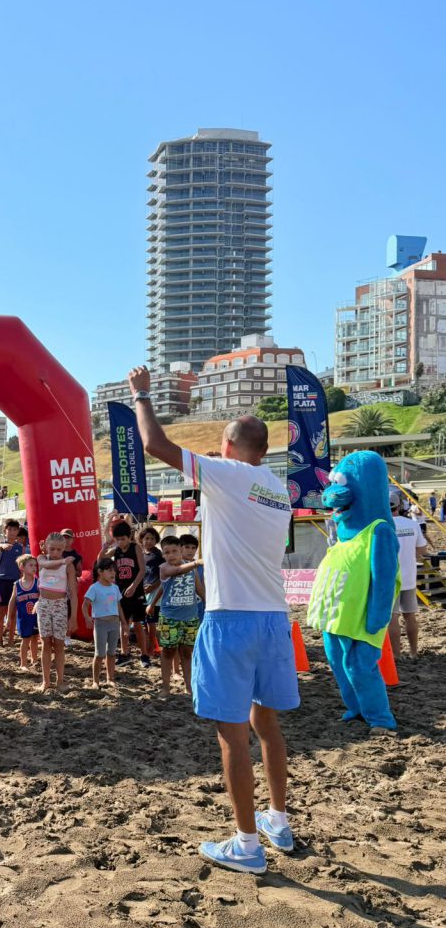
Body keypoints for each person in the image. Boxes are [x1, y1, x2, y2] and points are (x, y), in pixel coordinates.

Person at [129, 363, 299, 875]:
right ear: (263, 450)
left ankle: (247, 844)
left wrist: (142, 395)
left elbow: (155, 443)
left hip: (232, 617)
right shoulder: (278, 489)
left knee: (232, 732)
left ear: (226, 447)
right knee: (266, 723)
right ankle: (278, 820)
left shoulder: (226, 474)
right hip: (273, 616)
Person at [151, 535, 204, 695]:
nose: (171, 555)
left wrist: (209, 603)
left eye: (174, 551)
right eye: (167, 552)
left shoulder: (191, 568)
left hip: (191, 617)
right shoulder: (164, 568)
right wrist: (196, 562)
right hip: (170, 618)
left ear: (181, 550)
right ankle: (166, 687)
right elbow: (176, 571)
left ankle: (189, 686)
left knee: (187, 652)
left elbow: (199, 589)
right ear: (163, 554)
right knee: (168, 651)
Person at [99, 520, 149, 667]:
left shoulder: (135, 547)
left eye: (123, 539)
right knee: (123, 623)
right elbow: (100, 560)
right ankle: (124, 653)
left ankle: (144, 655)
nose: (120, 542)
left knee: (138, 624)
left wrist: (134, 586)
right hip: (121, 591)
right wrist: (106, 545)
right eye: (118, 539)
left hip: (136, 590)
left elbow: (142, 570)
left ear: (129, 536)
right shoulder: (116, 550)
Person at [388, 488, 426, 660]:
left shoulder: (383, 526)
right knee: (410, 616)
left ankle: (396, 654)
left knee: (392, 617)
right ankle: (413, 652)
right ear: (400, 506)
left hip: (390, 578)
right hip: (409, 576)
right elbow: (422, 550)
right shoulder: (412, 524)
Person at [36, 533, 78, 692]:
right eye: (52, 548)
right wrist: (62, 561)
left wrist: (73, 617)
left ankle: (60, 680)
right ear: (46, 547)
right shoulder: (41, 559)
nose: (55, 552)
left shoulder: (68, 566)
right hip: (44, 604)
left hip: (60, 605)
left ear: (64, 548)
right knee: (45, 643)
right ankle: (46, 681)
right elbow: (46, 565)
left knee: (59, 644)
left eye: (59, 550)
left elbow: (73, 593)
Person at [82, 559, 121, 688]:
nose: (113, 573)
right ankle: (96, 681)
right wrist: (87, 617)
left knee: (112, 653)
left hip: (114, 623)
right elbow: (85, 605)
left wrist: (124, 623)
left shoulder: (115, 588)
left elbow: (118, 606)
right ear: (100, 571)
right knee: (99, 654)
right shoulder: (94, 588)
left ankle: (110, 679)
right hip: (100, 624)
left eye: (114, 570)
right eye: (109, 570)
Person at [6, 554, 39, 670]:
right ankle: (23, 663)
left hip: (35, 617)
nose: (34, 567)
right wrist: (9, 618)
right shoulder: (17, 584)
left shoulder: (37, 582)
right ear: (22, 567)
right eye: (31, 565)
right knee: (25, 640)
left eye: (35, 565)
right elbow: (12, 601)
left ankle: (34, 659)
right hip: (23, 618)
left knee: (35, 638)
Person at [0, 518, 24, 645]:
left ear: (18, 532)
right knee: (1, 611)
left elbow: (22, 568)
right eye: (9, 529)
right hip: (1, 581)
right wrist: (2, 546)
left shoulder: (20, 547)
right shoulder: (1, 545)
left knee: (12, 612)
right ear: (4, 531)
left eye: (14, 529)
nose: (12, 532)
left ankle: (11, 639)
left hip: (15, 582)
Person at [140, 526, 163, 656]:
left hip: (154, 593)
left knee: (151, 621)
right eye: (146, 538)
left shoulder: (159, 555)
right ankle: (151, 646)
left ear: (156, 540)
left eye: (152, 539)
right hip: (142, 592)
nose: (149, 541)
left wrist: (153, 586)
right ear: (141, 540)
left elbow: (163, 576)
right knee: (144, 621)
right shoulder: (141, 554)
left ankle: (151, 648)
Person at [180, 533, 204, 623]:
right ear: (180, 548)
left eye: (193, 548)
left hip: (198, 605)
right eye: (187, 547)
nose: (190, 550)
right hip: (179, 606)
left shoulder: (200, 566)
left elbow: (202, 586)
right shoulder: (174, 565)